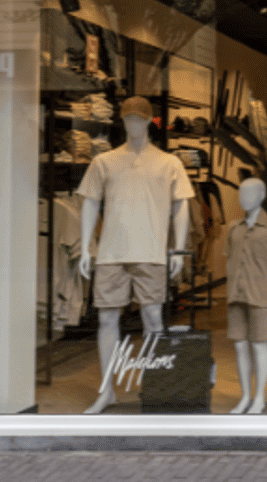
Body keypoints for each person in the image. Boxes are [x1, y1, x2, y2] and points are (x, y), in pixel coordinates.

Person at [77, 96, 193, 415]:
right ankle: (107, 391)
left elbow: (181, 204)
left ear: (149, 122)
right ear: (122, 121)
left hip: (151, 251)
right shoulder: (104, 161)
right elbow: (89, 202)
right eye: (128, 119)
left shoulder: (170, 163)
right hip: (111, 252)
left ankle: (155, 388)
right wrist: (86, 246)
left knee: (153, 318)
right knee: (107, 319)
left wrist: (178, 248)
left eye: (139, 119)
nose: (134, 125)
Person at [225, 177, 267, 415]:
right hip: (235, 295)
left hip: (260, 294)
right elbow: (230, 260)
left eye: (249, 193)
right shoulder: (233, 227)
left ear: (262, 196)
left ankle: (259, 397)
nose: (244, 198)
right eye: (241, 193)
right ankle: (245, 397)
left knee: (260, 345)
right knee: (240, 346)